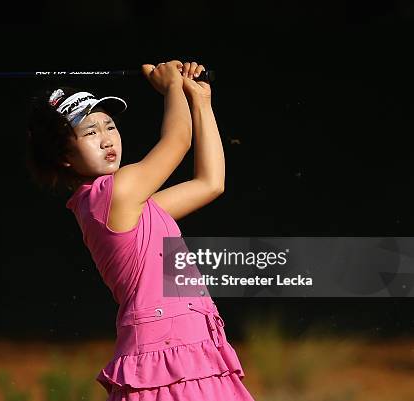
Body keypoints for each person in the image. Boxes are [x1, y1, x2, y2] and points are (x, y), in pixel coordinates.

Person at [25, 60, 255, 400]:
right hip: (163, 366)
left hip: (192, 355)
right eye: (90, 133)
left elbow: (210, 182)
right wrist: (171, 87)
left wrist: (200, 99)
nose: (106, 140)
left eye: (109, 126)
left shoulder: (132, 203)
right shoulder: (112, 195)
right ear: (65, 158)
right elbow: (178, 140)